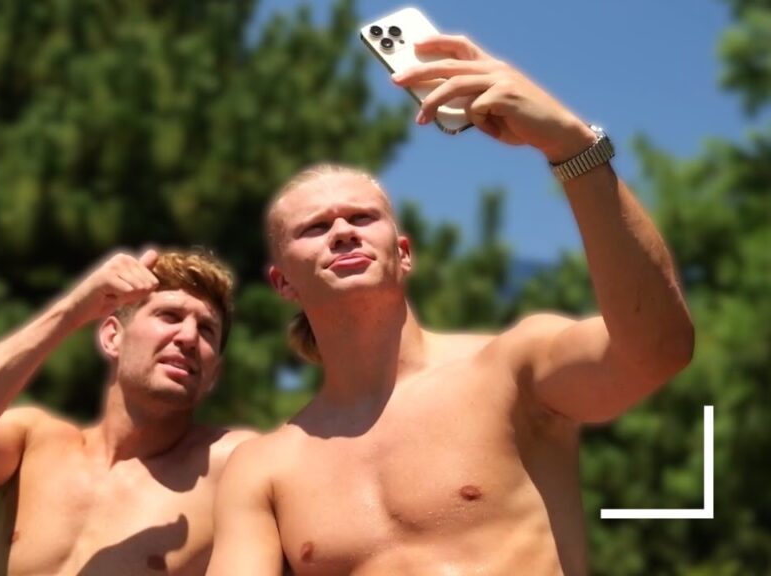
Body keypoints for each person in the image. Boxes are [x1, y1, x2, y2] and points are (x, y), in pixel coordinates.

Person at [207, 34, 694, 576]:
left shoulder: (512, 368)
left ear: (404, 253)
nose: (342, 231)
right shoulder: (266, 468)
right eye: (315, 228)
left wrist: (572, 146)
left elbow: (660, 349)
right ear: (283, 283)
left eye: (363, 217)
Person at [0, 248, 255, 575]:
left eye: (207, 329)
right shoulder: (33, 442)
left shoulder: (233, 464)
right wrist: (69, 312)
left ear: (214, 375)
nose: (189, 337)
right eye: (169, 315)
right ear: (113, 337)